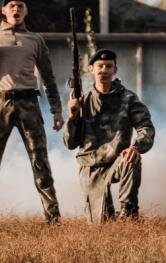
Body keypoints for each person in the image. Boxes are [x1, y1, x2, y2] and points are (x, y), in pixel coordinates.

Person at [0, 0, 63, 223]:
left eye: (20, 6)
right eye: (11, 6)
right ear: (4, 11)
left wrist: (56, 111)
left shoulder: (36, 40)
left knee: (40, 161)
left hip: (28, 103)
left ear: (26, 11)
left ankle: (53, 219)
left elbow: (49, 78)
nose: (16, 9)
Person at [64, 48, 155, 221]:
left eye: (108, 66)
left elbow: (146, 127)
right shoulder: (82, 100)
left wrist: (136, 147)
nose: (104, 70)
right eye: (100, 66)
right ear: (91, 69)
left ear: (115, 70)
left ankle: (128, 211)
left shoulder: (128, 98)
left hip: (117, 160)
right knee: (101, 223)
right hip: (91, 165)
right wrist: (73, 117)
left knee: (132, 158)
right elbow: (70, 144)